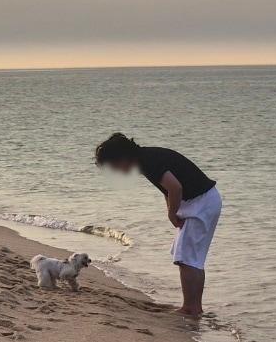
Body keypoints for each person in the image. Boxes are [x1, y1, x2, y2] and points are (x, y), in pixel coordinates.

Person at [94, 133, 221, 317]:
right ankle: (194, 307)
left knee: (188, 258)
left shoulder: (148, 161)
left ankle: (191, 308)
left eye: (114, 166)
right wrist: (173, 209)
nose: (117, 171)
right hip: (201, 201)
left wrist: (171, 213)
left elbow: (175, 188)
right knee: (188, 256)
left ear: (121, 158)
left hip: (201, 203)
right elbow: (168, 189)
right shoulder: (146, 158)